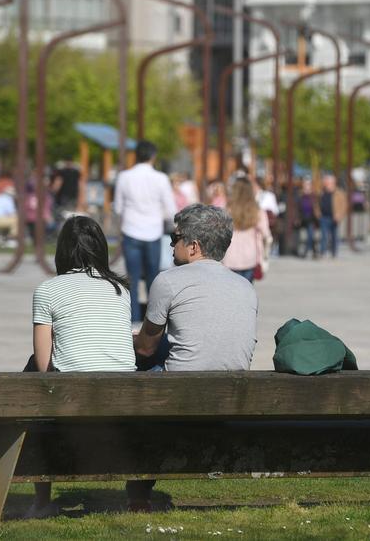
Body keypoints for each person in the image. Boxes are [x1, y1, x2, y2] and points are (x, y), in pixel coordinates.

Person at [132, 203, 258, 510]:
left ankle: (138, 494)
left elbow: (145, 348)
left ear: (194, 246)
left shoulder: (169, 281)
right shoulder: (245, 287)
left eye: (175, 239)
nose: (171, 244)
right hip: (229, 398)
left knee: (132, 386)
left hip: (182, 398)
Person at [27, 216, 137, 518]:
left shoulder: (48, 290)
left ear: (61, 251)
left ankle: (41, 501)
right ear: (100, 249)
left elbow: (42, 363)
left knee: (29, 375)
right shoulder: (121, 290)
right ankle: (138, 499)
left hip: (72, 399)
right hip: (121, 398)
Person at [114, 140, 176, 323]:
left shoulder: (124, 177)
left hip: (131, 230)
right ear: (153, 156)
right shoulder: (161, 179)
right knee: (153, 280)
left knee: (131, 280)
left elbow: (118, 208)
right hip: (153, 232)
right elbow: (170, 210)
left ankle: (133, 320)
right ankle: (154, 321)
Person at [223, 178, 272, 282]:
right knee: (247, 292)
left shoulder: (227, 210)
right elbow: (266, 234)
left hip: (229, 257)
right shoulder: (257, 211)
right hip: (250, 257)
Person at [317, 174, 347, 259]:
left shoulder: (339, 193)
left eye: (328, 182)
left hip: (334, 217)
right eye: (325, 182)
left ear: (333, 183)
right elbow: (316, 204)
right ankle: (322, 252)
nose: (326, 184)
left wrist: (339, 215)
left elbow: (344, 206)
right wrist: (318, 213)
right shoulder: (321, 192)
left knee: (334, 236)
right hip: (324, 217)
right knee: (323, 235)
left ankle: (334, 252)